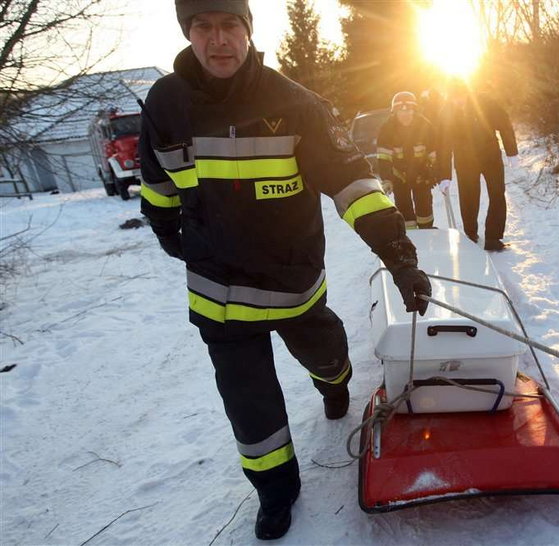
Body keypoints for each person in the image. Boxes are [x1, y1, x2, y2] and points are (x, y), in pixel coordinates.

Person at [138, 1, 431, 540]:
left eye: (230, 25)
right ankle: (275, 490)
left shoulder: (296, 105)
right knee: (248, 402)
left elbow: (353, 186)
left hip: (289, 281)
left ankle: (335, 382)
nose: (218, 39)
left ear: (248, 31)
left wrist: (399, 257)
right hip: (214, 288)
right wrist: (163, 229)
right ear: (188, 33)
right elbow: (157, 180)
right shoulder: (165, 102)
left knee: (323, 353)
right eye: (204, 26)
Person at [437, 79, 519, 251]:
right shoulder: (446, 112)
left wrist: (511, 151)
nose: (458, 101)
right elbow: (443, 144)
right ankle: (470, 233)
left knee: (497, 194)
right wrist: (444, 174)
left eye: (461, 96)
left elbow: (504, 124)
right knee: (468, 197)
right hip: (465, 161)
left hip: (490, 157)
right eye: (454, 98)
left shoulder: (486, 103)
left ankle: (493, 238)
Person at [376, 91, 437, 229]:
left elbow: (434, 152)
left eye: (408, 111)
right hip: (399, 176)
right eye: (401, 112)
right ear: (394, 113)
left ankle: (427, 231)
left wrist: (433, 171)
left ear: (414, 111)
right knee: (404, 209)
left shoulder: (426, 126)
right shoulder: (387, 130)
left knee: (425, 207)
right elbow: (383, 158)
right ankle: (410, 237)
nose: (405, 115)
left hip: (422, 175)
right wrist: (387, 179)